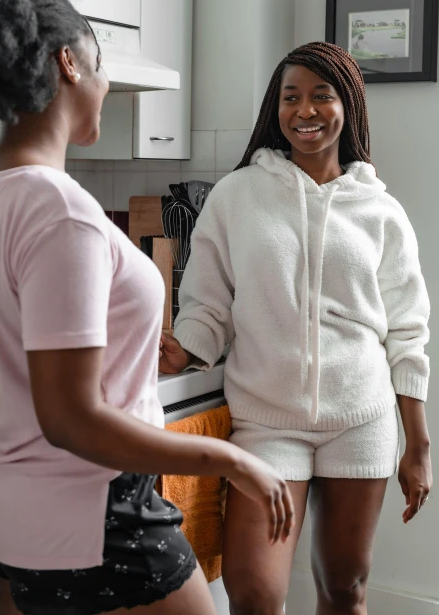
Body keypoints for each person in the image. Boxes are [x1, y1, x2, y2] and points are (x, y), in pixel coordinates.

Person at [0, 0, 294, 615]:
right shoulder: (59, 211)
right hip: (88, 516)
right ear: (70, 61)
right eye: (102, 61)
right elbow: (72, 419)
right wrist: (228, 459)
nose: (107, 82)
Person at [160, 41, 432, 615]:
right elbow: (208, 301)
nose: (304, 110)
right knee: (255, 595)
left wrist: (419, 444)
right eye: (291, 98)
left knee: (344, 587)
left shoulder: (381, 211)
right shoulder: (237, 196)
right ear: (275, 109)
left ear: (347, 106)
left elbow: (408, 333)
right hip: (267, 424)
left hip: (360, 420)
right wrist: (183, 351)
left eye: (320, 96)